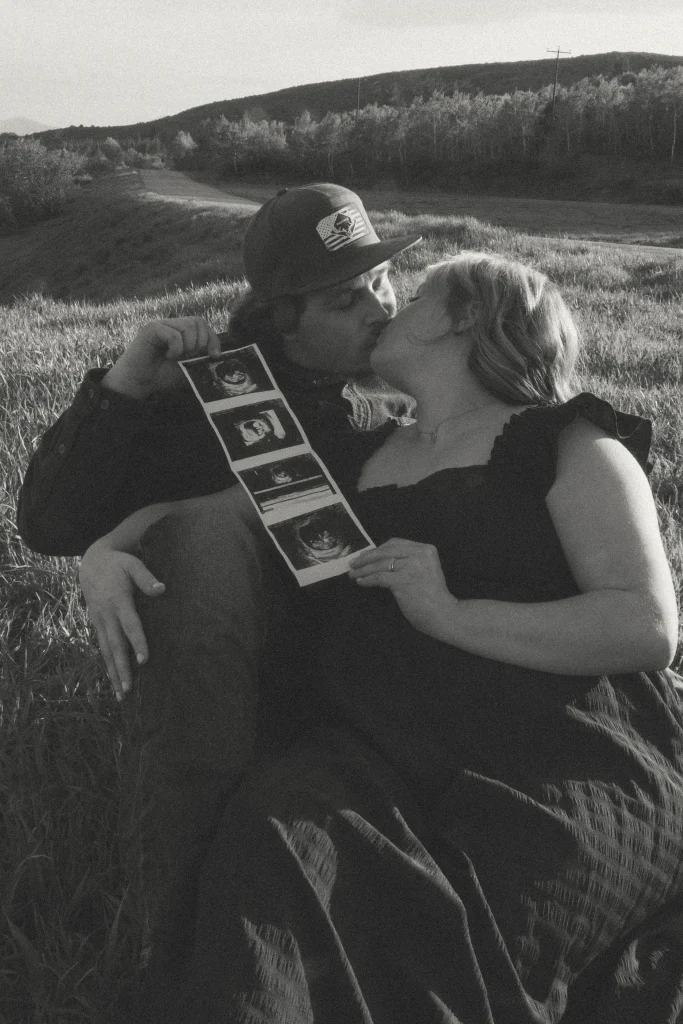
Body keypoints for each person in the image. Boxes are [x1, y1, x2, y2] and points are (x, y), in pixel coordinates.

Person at [80, 252, 683, 1022]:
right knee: (273, 843)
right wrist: (103, 557)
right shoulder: (348, 453)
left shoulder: (565, 443)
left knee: (481, 912)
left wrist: (451, 615)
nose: (386, 305)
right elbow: (203, 518)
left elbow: (644, 625)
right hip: (373, 752)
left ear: (464, 317)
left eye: (417, 292)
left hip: (553, 747)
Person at [16, 182, 421, 994]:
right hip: (216, 665)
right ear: (282, 317)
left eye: (382, 281)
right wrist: (126, 389)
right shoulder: (202, 391)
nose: (380, 307)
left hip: (362, 668)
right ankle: (174, 946)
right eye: (349, 298)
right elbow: (50, 524)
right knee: (204, 546)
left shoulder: (404, 388)